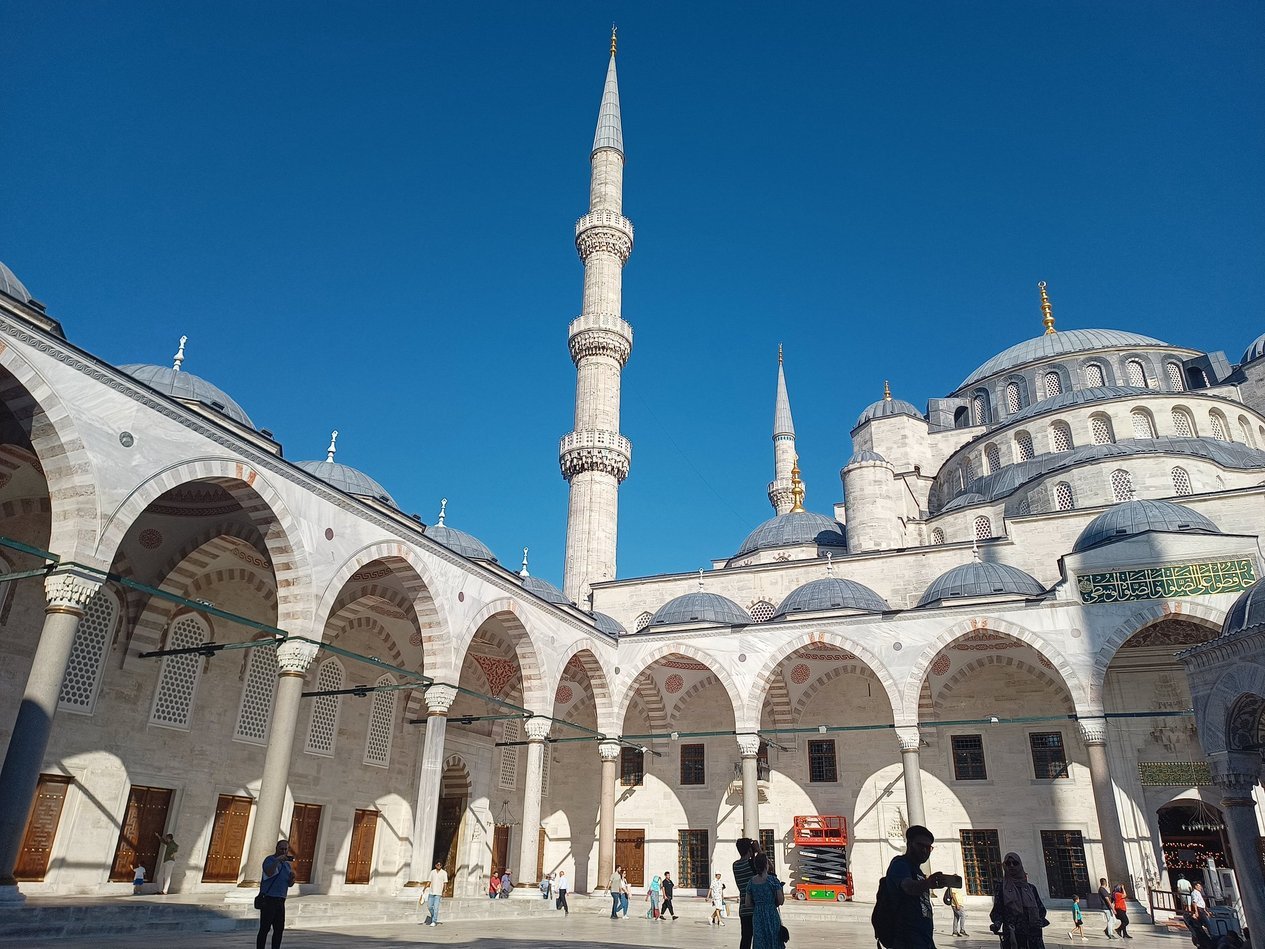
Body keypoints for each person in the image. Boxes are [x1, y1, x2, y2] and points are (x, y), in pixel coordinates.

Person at [883, 825, 950, 949]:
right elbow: (908, 887)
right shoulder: (900, 864)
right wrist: (928, 883)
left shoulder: (917, 870)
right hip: (906, 939)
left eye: (928, 847)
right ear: (910, 844)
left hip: (923, 939)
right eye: (920, 846)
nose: (925, 851)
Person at [989, 852, 1048, 949]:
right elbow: (998, 910)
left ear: (1020, 865)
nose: (1011, 866)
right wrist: (997, 923)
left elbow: (1041, 909)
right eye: (1008, 863)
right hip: (1013, 935)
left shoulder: (1031, 888)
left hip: (1033, 935)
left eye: (1015, 863)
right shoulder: (1002, 888)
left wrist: (1039, 921)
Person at [257, 840, 295, 949]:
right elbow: (269, 872)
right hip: (269, 899)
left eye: (285, 849)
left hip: (280, 900)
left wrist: (292, 879)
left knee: (279, 929)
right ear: (276, 848)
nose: (283, 851)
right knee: (265, 928)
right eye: (281, 849)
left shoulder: (287, 865)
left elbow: (289, 884)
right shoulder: (269, 860)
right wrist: (277, 861)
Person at [743, 852, 785, 949]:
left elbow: (747, 903)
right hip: (771, 913)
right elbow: (780, 901)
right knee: (774, 939)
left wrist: (758, 904)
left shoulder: (751, 882)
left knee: (760, 941)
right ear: (766, 864)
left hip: (757, 915)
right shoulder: (773, 881)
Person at [734, 838, 758, 949]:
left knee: (746, 938)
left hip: (744, 907)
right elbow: (767, 868)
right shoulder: (752, 863)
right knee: (759, 937)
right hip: (755, 906)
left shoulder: (736, 865)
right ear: (749, 849)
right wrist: (759, 850)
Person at [421, 860, 448, 926]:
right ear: (435, 865)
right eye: (438, 865)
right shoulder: (432, 872)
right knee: (429, 906)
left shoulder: (444, 873)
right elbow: (429, 881)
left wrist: (444, 891)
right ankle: (433, 916)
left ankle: (434, 921)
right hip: (431, 892)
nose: (439, 866)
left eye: (440, 865)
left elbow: (445, 883)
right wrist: (424, 888)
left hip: (438, 893)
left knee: (436, 907)